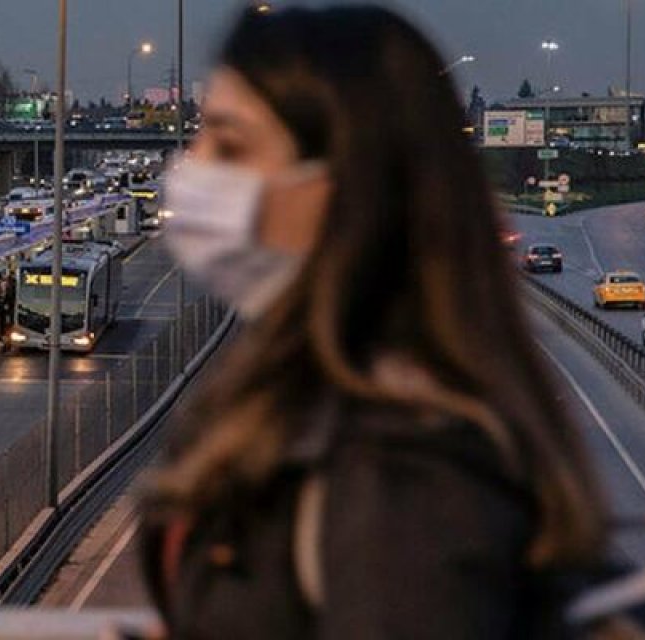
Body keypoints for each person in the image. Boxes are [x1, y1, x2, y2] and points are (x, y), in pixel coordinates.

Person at [141, 7, 606, 639]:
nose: (188, 172)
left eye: (229, 145)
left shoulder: (405, 484)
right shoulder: (303, 401)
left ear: (344, 190)